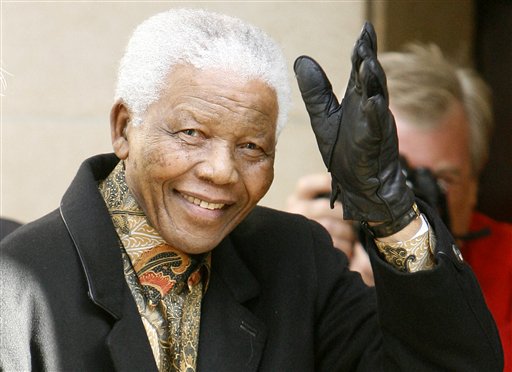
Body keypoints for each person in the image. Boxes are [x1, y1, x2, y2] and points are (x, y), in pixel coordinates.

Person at [0, 9, 503, 371]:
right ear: (124, 127)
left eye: (252, 148)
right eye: (191, 134)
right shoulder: (20, 287)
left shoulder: (296, 260)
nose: (221, 171)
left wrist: (390, 215)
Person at [288, 43, 512, 370]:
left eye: (442, 180)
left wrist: (407, 281)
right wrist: (300, 269)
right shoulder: (310, 256)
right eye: (391, 174)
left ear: (476, 183)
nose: (409, 200)